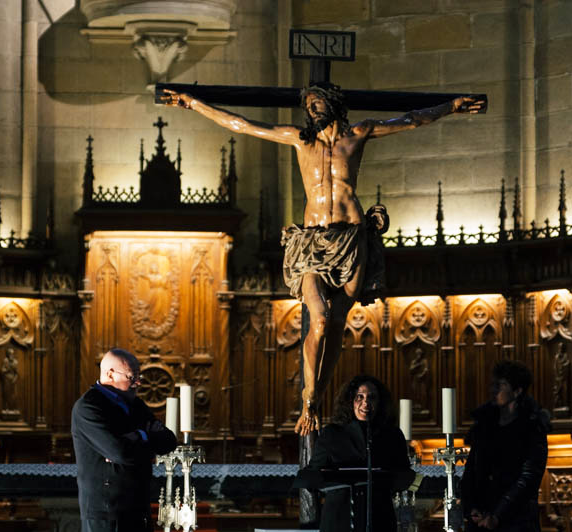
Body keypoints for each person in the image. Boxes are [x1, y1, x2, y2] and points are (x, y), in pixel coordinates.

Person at [163, 83, 484, 435]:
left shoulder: (358, 135)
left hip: (351, 240)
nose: (313, 110)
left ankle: (320, 395)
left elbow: (410, 120)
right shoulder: (300, 141)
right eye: (309, 106)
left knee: (336, 324)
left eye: (318, 103)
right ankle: (309, 397)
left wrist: (452, 106)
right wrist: (193, 104)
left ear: (333, 104)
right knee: (319, 319)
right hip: (313, 244)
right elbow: (243, 124)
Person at [293, 375, 421, 532]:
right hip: (339, 516)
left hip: (379, 515)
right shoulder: (332, 434)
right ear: (349, 401)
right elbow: (313, 472)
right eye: (359, 397)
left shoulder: (392, 435)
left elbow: (404, 474)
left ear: (380, 402)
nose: (365, 403)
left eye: (371, 397)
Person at [72, 348, 177, 532]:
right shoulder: (88, 407)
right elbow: (119, 451)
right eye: (132, 377)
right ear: (110, 374)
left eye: (139, 376)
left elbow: (169, 441)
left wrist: (136, 439)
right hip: (107, 514)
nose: (138, 383)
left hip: (139, 509)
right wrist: (145, 436)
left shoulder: (136, 405)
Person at [461, 360, 550, 531]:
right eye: (493, 384)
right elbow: (471, 471)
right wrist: (471, 508)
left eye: (501, 385)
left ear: (517, 391)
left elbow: (528, 478)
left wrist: (497, 515)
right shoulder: (485, 425)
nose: (493, 390)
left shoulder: (532, 427)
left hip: (516, 520)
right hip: (482, 518)